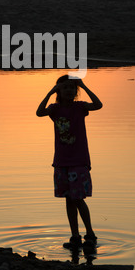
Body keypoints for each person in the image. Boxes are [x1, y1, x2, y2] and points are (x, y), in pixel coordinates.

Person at [36, 74, 103, 250]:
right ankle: (75, 235)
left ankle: (90, 234)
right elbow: (39, 112)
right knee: (68, 199)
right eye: (64, 87)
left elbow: (98, 105)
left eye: (72, 88)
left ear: (76, 91)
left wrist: (84, 86)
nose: (68, 90)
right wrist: (50, 92)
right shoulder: (54, 109)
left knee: (78, 198)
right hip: (61, 161)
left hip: (79, 160)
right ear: (59, 91)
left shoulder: (80, 107)